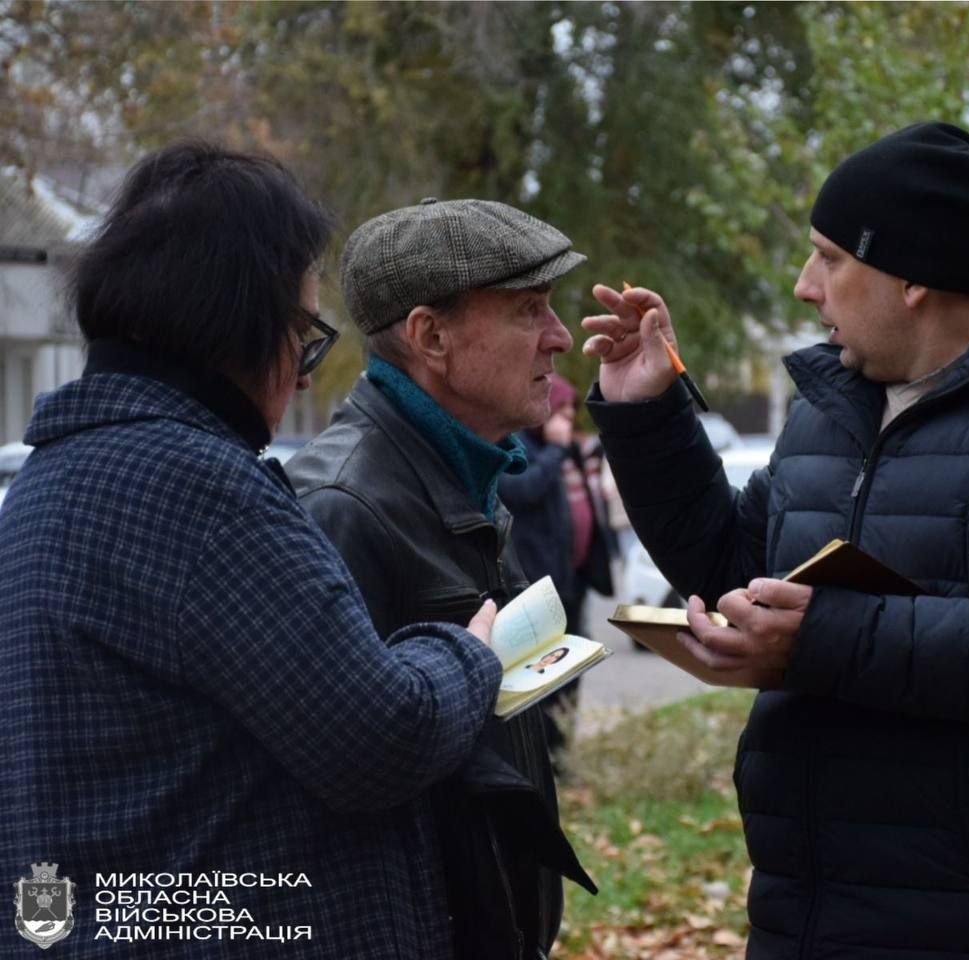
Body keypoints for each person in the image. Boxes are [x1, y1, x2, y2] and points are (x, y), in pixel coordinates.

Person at [582, 121, 969, 960]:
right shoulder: (833, 408)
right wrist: (648, 415)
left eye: (829, 259)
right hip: (805, 912)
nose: (805, 287)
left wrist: (817, 637)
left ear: (913, 277)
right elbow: (731, 570)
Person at [0, 143, 503, 958]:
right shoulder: (198, 491)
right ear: (233, 320)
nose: (303, 377)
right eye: (302, 334)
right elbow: (380, 738)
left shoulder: (53, 477)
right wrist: (467, 655)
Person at [285, 198, 595, 960]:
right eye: (529, 311)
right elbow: (341, 784)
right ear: (431, 337)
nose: (560, 338)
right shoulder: (343, 506)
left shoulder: (465, 477)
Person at [498, 373, 615, 764]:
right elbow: (524, 490)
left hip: (572, 578)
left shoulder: (566, 451)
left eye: (570, 412)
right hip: (538, 579)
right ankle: (543, 755)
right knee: (543, 673)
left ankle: (563, 752)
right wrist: (557, 451)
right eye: (559, 411)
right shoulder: (521, 447)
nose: (566, 420)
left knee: (572, 667)